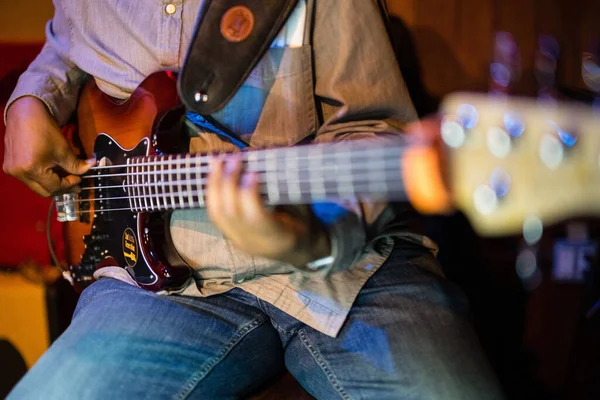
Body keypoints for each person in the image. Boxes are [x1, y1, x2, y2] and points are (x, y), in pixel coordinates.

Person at [3, 0, 504, 398]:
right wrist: (31, 99)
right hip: (156, 283)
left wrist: (311, 234)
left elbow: (373, 130)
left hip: (350, 274)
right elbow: (66, 40)